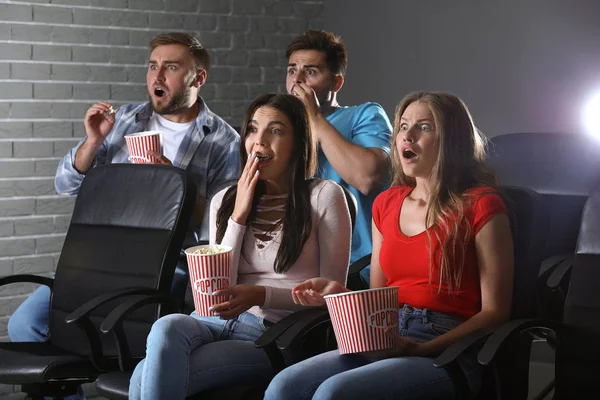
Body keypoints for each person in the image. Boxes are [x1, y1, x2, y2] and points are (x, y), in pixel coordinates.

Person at [7, 32, 239, 400]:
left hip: (168, 263)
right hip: (99, 259)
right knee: (26, 323)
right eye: (153, 66)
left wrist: (175, 183)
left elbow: (221, 227)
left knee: (128, 337)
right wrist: (93, 142)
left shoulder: (223, 141)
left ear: (198, 78)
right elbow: (65, 184)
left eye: (171, 67)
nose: (157, 76)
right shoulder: (125, 119)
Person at [264, 91, 515, 400]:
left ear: (451, 139)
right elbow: (377, 298)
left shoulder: (482, 205)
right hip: (388, 333)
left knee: (334, 393)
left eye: (424, 127)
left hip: (448, 348)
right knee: (284, 386)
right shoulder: (386, 203)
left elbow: (495, 312)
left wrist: (422, 348)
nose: (407, 136)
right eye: (404, 126)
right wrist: (338, 293)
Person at [128, 93, 352, 399]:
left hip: (273, 333)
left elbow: (334, 296)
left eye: (275, 131)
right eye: (252, 129)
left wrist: (262, 294)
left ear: (299, 142)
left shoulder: (324, 196)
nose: (259, 142)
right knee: (167, 327)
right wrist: (239, 215)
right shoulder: (225, 200)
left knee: (145, 374)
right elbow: (213, 289)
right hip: (213, 321)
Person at [285, 30, 393, 284]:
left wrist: (315, 118)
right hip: (294, 264)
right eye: (292, 71)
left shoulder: (364, 115)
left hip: (354, 268)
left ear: (336, 83)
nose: (296, 81)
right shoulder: (280, 127)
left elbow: (368, 177)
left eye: (310, 72)